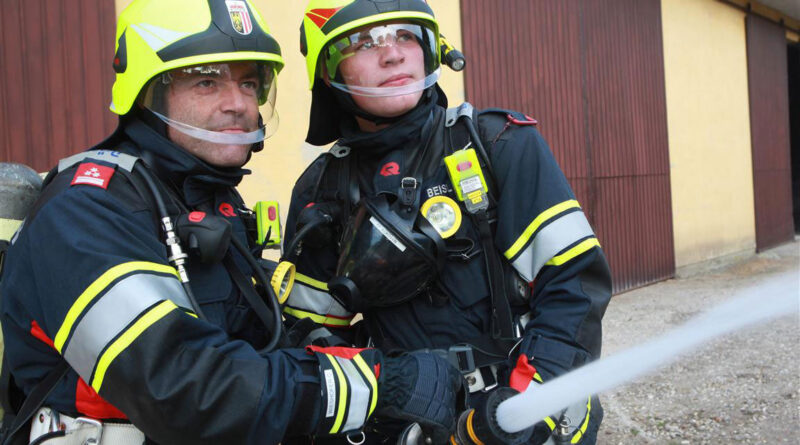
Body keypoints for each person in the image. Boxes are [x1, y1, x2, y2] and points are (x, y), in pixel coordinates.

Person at [0, 1, 464, 444]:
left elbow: (258, 346)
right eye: (206, 82)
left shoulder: (202, 202)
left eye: (248, 83)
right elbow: (182, 390)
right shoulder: (85, 211)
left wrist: (376, 361)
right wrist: (381, 387)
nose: (238, 104)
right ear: (148, 91)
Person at [283, 1, 613, 444]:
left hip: (525, 411)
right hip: (410, 424)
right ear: (329, 73)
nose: (393, 54)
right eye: (362, 42)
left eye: (405, 35)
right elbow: (313, 333)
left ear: (430, 48)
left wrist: (528, 405)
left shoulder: (498, 144)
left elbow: (575, 286)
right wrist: (383, 394)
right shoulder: (322, 188)